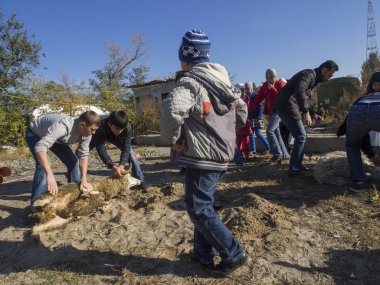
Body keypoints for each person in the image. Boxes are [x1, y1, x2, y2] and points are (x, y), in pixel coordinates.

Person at [160, 29, 247, 272]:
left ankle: (234, 253)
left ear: (184, 56)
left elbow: (171, 112)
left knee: (199, 209)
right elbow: (241, 112)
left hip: (201, 156)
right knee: (200, 205)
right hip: (221, 155)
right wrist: (225, 133)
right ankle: (202, 254)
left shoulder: (189, 83)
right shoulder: (224, 83)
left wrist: (173, 139)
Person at [275, 60, 339, 178]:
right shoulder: (309, 75)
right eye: (329, 75)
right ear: (324, 69)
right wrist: (306, 112)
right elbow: (299, 91)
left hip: (286, 105)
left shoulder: (314, 81)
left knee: (301, 136)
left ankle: (296, 166)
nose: (329, 78)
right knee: (301, 136)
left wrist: (313, 114)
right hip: (287, 105)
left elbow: (304, 98)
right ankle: (294, 170)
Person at [25, 111, 100, 202]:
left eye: (95, 130)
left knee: (73, 162)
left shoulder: (87, 133)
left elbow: (83, 155)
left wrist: (84, 179)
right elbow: (40, 147)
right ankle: (37, 203)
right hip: (35, 134)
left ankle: (73, 194)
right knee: (44, 165)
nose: (94, 133)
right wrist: (50, 174)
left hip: (58, 139)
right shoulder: (63, 127)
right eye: (92, 129)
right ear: (82, 125)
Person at [86, 110, 146, 185]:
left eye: (122, 129)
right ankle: (77, 179)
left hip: (118, 139)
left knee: (132, 155)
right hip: (101, 135)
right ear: (110, 124)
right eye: (117, 128)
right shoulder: (100, 127)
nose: (120, 131)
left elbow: (126, 148)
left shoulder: (127, 127)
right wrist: (112, 166)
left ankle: (140, 180)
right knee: (81, 152)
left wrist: (121, 165)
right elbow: (101, 149)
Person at [344, 71, 380, 192]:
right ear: (372, 85)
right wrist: (371, 154)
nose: (377, 87)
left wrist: (370, 154)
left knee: (352, 144)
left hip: (356, 115)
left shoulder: (362, 98)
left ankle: (358, 182)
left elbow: (360, 132)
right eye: (376, 85)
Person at [251, 69, 288, 162]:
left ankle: (277, 153)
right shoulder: (264, 87)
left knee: (269, 131)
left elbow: (283, 97)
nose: (272, 79)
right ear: (266, 78)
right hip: (271, 113)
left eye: (273, 77)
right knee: (277, 133)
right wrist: (250, 109)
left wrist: (273, 89)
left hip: (279, 111)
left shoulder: (280, 84)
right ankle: (285, 154)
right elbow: (258, 98)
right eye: (270, 77)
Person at [246, 81, 270, 153]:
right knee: (250, 134)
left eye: (247, 88)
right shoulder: (247, 97)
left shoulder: (255, 95)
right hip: (250, 118)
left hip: (257, 117)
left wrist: (259, 117)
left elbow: (260, 107)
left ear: (251, 88)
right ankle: (253, 150)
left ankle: (268, 147)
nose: (246, 90)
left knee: (258, 133)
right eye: (245, 88)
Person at [236, 83, 252, 161]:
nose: (242, 91)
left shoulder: (247, 98)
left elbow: (249, 109)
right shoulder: (235, 99)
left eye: (243, 89)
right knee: (238, 142)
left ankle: (247, 155)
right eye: (240, 90)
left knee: (246, 141)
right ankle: (240, 155)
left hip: (246, 123)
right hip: (238, 123)